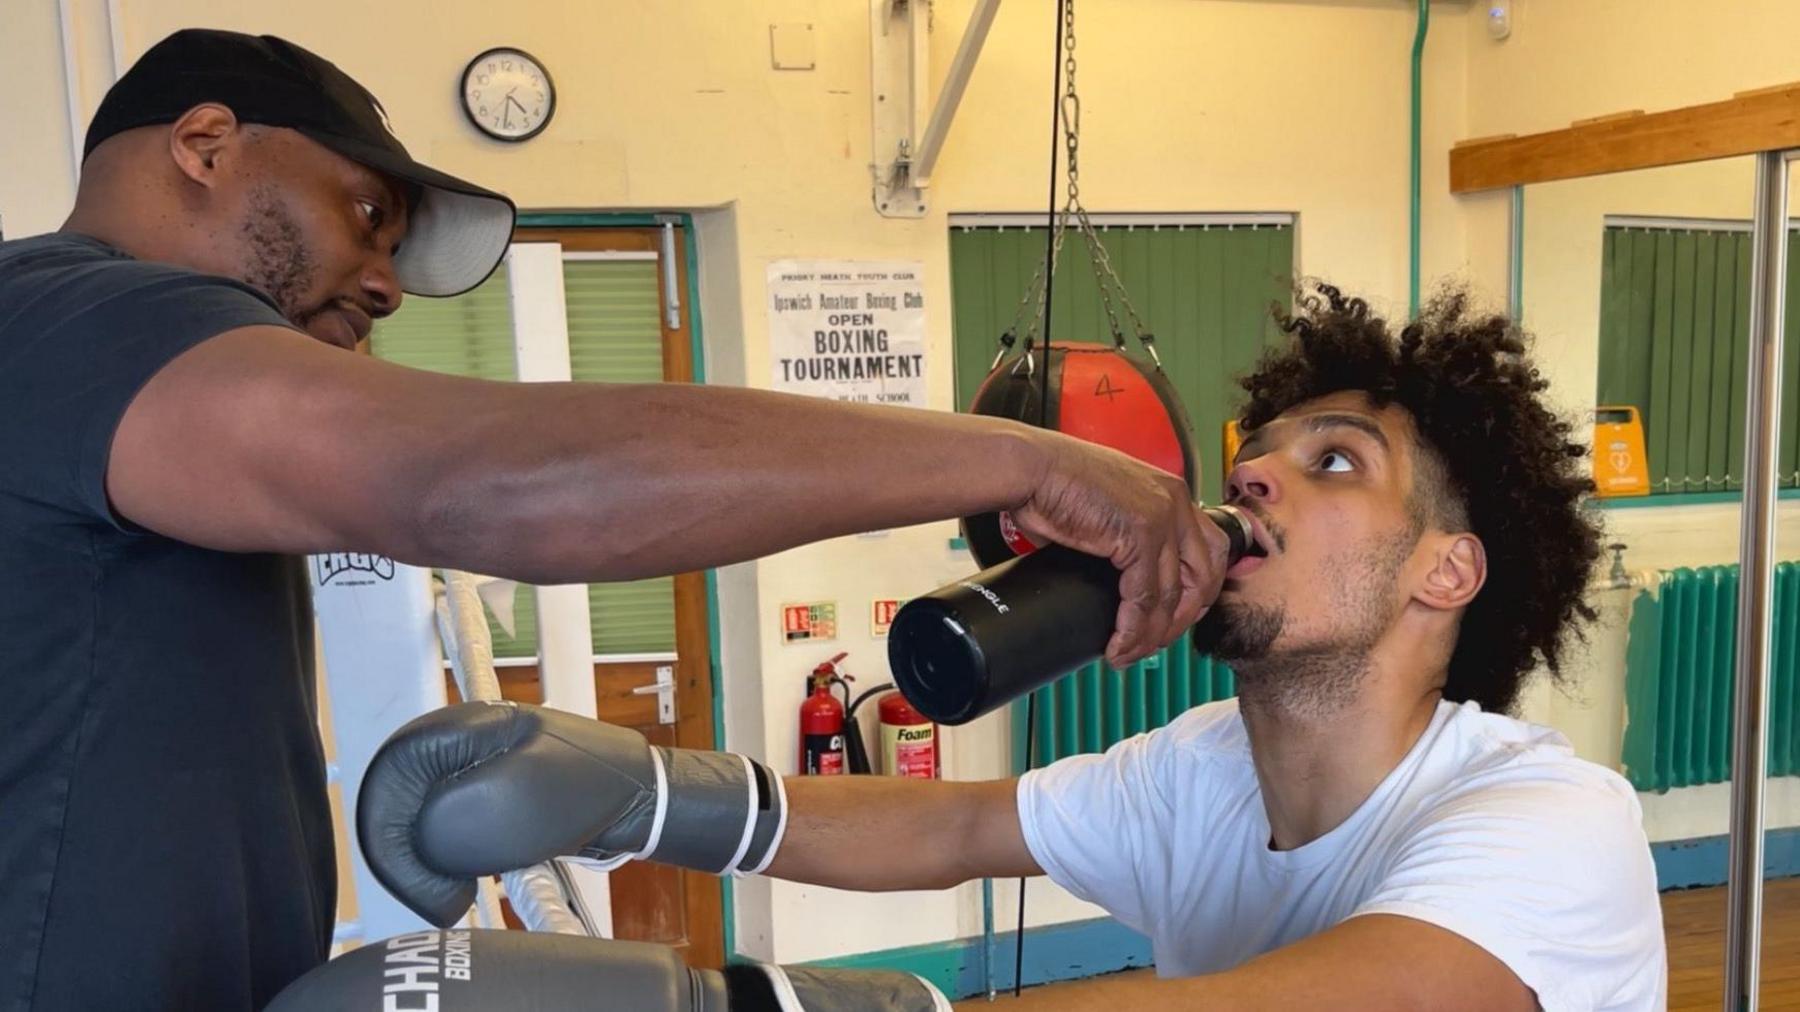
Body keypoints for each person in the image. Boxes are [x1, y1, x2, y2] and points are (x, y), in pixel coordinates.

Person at [0, 29, 1225, 1012]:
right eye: (367, 215)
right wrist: (1017, 458)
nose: (384, 282)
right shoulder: (78, 321)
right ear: (206, 144)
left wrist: (653, 799)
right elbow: (486, 481)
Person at [365, 283, 1666, 1010]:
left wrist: (738, 1011)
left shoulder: (1551, 817)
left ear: (1450, 570)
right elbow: (947, 830)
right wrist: (641, 793)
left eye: (1334, 463)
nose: (1258, 477)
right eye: (1254, 455)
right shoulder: (1205, 768)